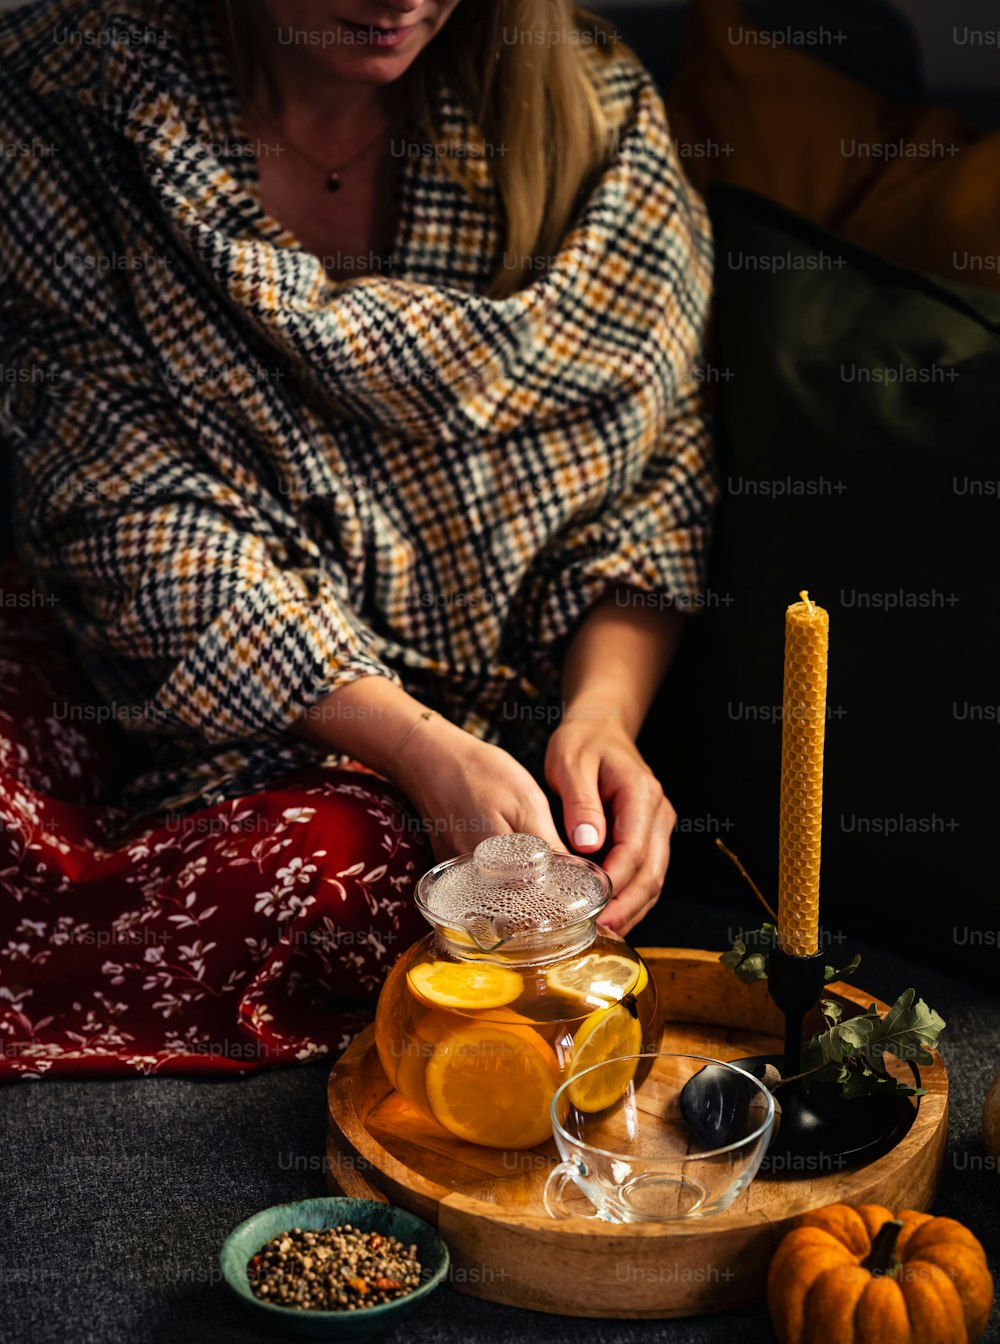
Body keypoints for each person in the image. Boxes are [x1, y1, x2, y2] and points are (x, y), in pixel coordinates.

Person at [0, 0, 716, 1078]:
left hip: (424, 768)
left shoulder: (593, 120)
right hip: (143, 673)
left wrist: (601, 720)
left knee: (350, 870)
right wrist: (419, 749)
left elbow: (655, 470)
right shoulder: (68, 98)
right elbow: (127, 511)